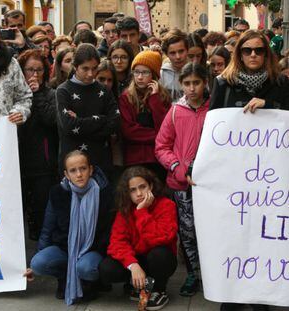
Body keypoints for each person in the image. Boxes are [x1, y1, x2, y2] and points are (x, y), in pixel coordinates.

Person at [210, 29, 289, 311]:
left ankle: (260, 296)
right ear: (239, 53)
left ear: (267, 54)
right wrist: (202, 168)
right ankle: (231, 295)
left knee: (263, 238)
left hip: (270, 180)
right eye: (247, 50)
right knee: (233, 236)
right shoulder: (223, 83)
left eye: (259, 50)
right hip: (234, 179)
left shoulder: (280, 83)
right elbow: (212, 129)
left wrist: (271, 106)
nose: (253, 55)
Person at [29, 150, 114, 305]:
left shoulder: (105, 192)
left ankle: (92, 282)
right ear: (66, 174)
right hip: (65, 249)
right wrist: (40, 253)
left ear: (91, 169)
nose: (79, 174)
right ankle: (65, 278)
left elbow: (110, 231)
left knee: (86, 267)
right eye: (73, 171)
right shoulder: (57, 193)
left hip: (94, 250)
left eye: (83, 168)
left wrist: (102, 257)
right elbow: (47, 229)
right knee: (38, 263)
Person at [155, 62, 210, 297]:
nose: (192, 88)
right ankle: (192, 274)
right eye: (187, 83)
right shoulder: (176, 111)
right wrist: (177, 167)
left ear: (205, 82)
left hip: (211, 184)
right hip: (181, 184)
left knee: (210, 230)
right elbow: (161, 146)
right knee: (187, 232)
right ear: (181, 84)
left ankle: (213, 275)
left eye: (196, 83)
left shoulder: (215, 109)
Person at [99, 166, 177, 311]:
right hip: (138, 259)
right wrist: (132, 265)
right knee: (107, 268)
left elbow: (161, 238)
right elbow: (117, 242)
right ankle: (138, 284)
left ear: (151, 186)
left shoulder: (166, 205)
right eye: (133, 190)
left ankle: (158, 290)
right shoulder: (124, 210)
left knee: (159, 254)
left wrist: (142, 212)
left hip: (158, 258)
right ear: (127, 193)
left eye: (142, 187)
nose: (139, 193)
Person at [56, 43, 119, 177]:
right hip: (73, 163)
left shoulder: (104, 90)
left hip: (100, 160)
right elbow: (68, 126)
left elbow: (115, 123)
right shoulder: (63, 90)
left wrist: (80, 122)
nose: (90, 74)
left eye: (94, 68)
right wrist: (100, 119)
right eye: (85, 68)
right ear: (75, 66)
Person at [17, 49, 58, 241]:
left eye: (39, 70)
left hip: (43, 165)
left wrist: (37, 94)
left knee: (42, 212)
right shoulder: (14, 94)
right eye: (29, 70)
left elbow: (52, 120)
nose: (34, 74)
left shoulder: (52, 94)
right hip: (18, 163)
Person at [119, 50, 170, 181]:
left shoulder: (162, 97)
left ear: (153, 75)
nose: (140, 77)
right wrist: (157, 136)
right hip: (134, 160)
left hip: (157, 159)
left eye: (145, 72)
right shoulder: (126, 98)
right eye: (136, 72)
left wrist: (154, 99)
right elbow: (129, 131)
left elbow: (165, 127)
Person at [160, 29, 188, 102]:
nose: (178, 57)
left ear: (187, 50)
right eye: (173, 53)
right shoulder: (162, 75)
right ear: (167, 54)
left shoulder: (197, 72)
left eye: (181, 51)